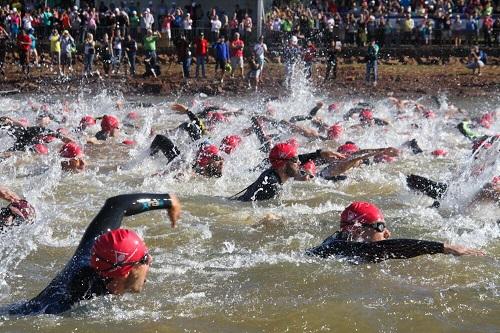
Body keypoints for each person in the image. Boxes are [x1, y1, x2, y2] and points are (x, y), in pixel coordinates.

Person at [1, 193, 181, 315]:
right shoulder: (65, 306)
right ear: (125, 272)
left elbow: (117, 205)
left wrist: (167, 200)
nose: (150, 259)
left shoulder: (96, 250)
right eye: (144, 258)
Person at [306, 201, 485, 262]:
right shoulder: (340, 248)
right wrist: (443, 247)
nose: (387, 233)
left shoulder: (339, 241)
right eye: (380, 227)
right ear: (357, 229)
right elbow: (385, 248)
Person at [232, 141, 344, 201]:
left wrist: (319, 153)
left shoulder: (273, 172)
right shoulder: (271, 185)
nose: (299, 163)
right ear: (282, 163)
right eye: (295, 160)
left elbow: (298, 158)